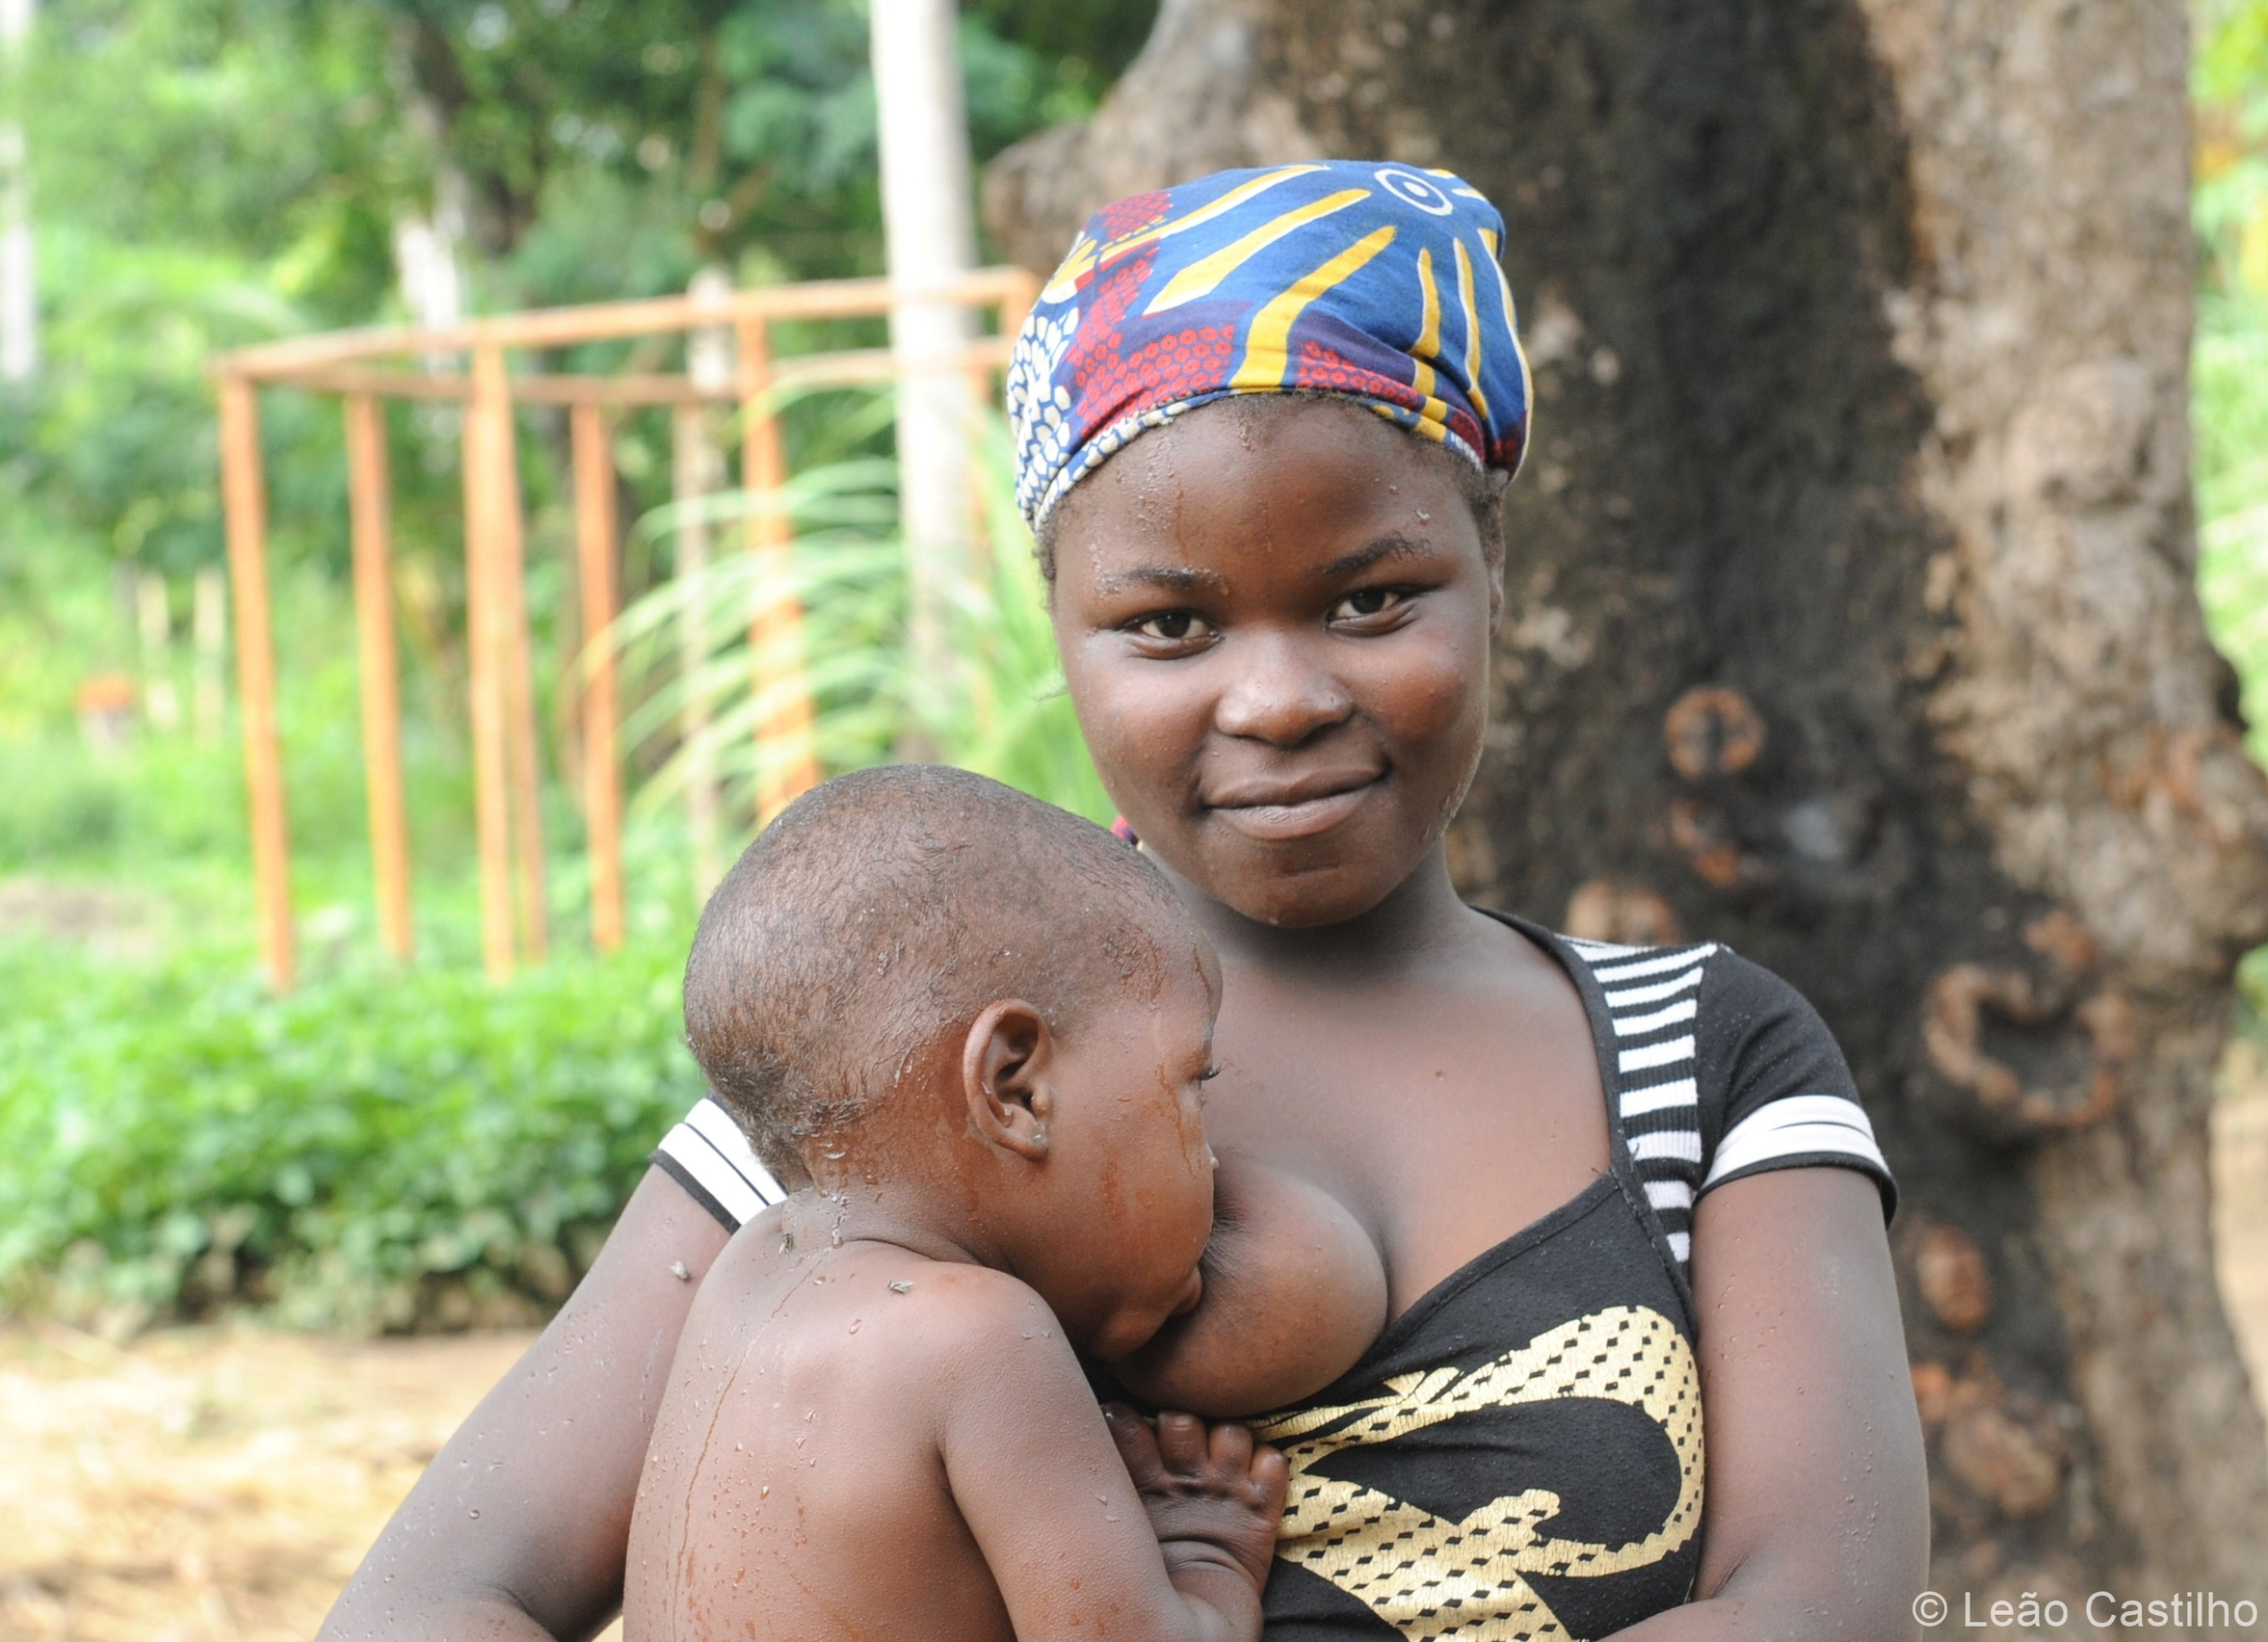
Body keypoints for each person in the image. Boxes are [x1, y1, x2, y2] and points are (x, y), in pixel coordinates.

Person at [321, 161, 1929, 1642]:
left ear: (1491, 556)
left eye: (1373, 597)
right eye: (1171, 625)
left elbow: (1826, 1595)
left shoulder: (1705, 1059)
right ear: (1062, 614)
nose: (1281, 694)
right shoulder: (879, 1066)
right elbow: (437, 1597)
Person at [623, 763, 1288, 1642]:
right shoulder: (982, 1337)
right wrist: (1207, 1556)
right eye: (1193, 1084)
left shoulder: (745, 1271)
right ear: (1015, 1089)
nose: (1210, 1152)